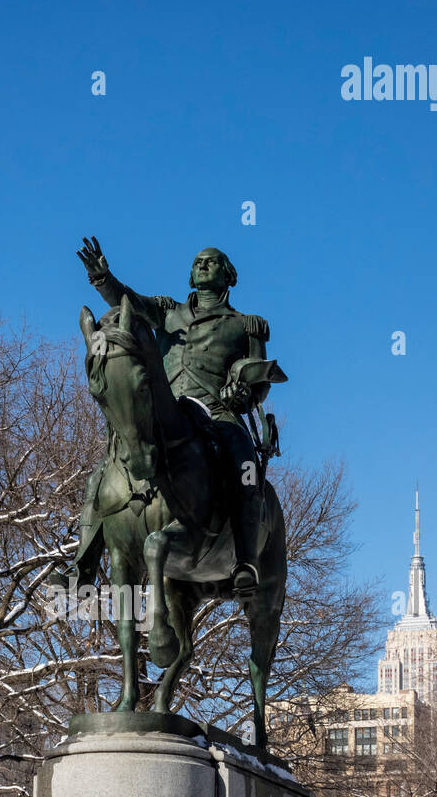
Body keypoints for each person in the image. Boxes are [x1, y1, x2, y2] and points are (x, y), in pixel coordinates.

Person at [74, 236, 287, 599]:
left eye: (212, 261)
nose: (203, 264)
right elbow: (129, 300)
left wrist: (243, 393)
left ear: (229, 275)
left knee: (245, 464)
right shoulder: (167, 311)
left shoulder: (247, 325)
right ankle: (82, 564)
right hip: (168, 408)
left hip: (218, 414)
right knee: (106, 467)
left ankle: (246, 561)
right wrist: (102, 277)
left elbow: (260, 382)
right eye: (198, 262)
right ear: (191, 275)